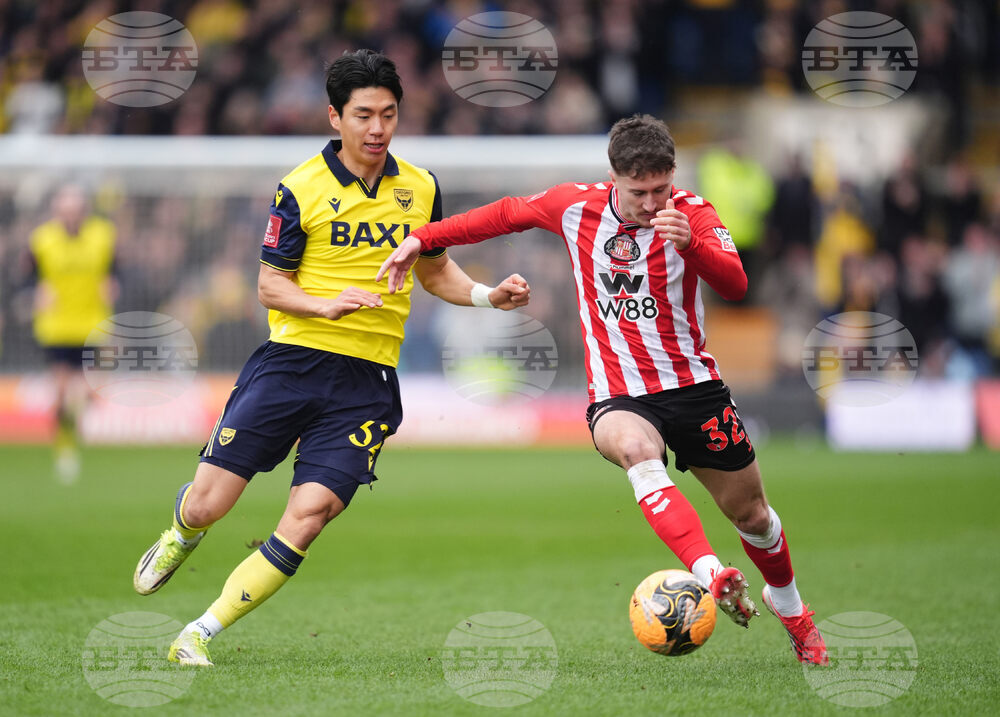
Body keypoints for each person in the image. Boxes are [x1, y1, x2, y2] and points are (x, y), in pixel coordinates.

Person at [378, 114, 828, 665]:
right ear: (614, 178)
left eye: (660, 189)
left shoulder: (693, 213)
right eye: (639, 192)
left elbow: (736, 282)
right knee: (639, 454)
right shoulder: (575, 206)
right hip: (619, 395)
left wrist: (692, 247)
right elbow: (502, 215)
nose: (650, 203)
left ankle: (792, 610)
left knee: (753, 516)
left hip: (695, 387)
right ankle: (712, 573)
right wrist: (421, 237)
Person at [132, 49, 530, 667]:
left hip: (367, 382)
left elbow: (436, 271)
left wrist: (486, 295)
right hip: (292, 361)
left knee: (311, 513)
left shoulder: (419, 187)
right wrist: (326, 305)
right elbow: (270, 285)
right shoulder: (299, 187)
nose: (378, 128)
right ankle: (182, 532)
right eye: (364, 114)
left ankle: (199, 632)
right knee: (211, 505)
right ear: (334, 118)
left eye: (389, 114)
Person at [28, 184, 116, 483]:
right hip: (56, 325)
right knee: (63, 390)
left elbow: (117, 270)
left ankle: (72, 432)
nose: (71, 217)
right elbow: (27, 277)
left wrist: (112, 283)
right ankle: (65, 446)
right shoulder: (42, 240)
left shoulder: (102, 236)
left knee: (87, 390)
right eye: (66, 212)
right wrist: (35, 292)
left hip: (92, 322)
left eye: (76, 211)